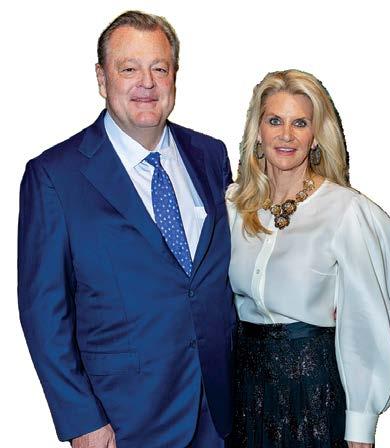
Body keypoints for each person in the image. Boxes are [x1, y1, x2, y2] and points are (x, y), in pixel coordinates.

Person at [18, 10, 236, 448]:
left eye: (160, 68)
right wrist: (82, 420)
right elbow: (44, 313)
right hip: (123, 422)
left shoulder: (211, 155)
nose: (147, 83)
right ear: (102, 79)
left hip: (220, 413)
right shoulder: (54, 176)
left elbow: (227, 272)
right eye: (129, 69)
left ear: (175, 76)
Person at [226, 69, 390, 448]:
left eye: (300, 123)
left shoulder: (346, 212)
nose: (286, 135)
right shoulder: (233, 206)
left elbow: (370, 318)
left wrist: (361, 423)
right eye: (275, 121)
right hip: (244, 390)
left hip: (315, 391)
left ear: (315, 136)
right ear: (257, 131)